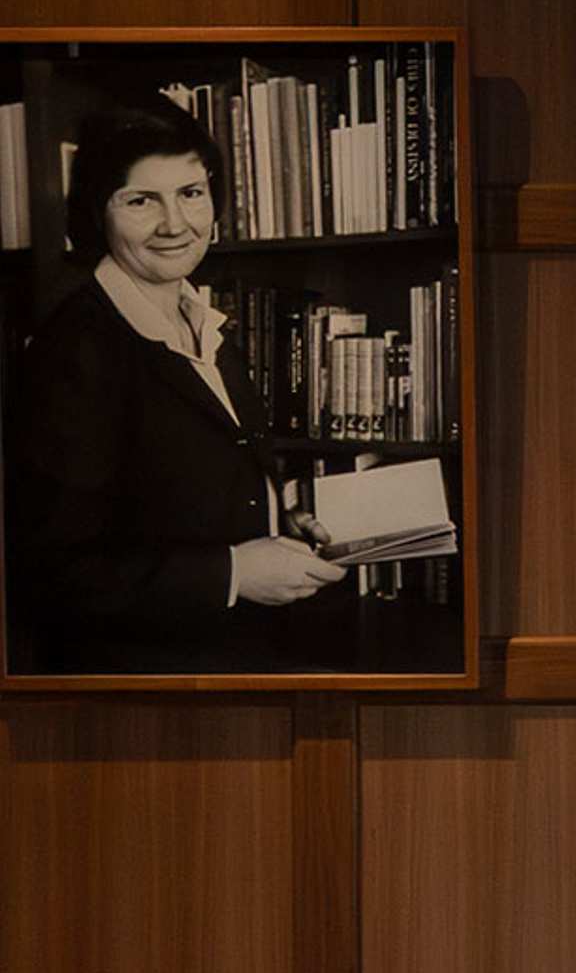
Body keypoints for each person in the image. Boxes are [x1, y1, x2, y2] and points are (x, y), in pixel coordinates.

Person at [2, 102, 343, 674]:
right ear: (96, 214)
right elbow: (53, 572)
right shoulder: (74, 351)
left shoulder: (203, 321)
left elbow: (176, 492)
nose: (176, 224)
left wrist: (275, 526)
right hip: (139, 688)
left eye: (191, 192)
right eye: (140, 201)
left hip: (233, 656)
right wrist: (235, 572)